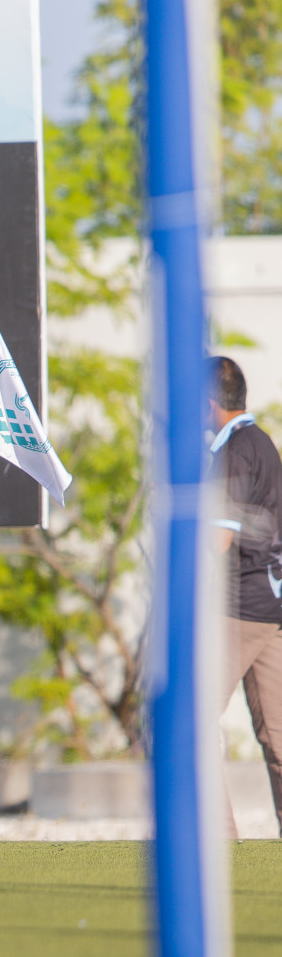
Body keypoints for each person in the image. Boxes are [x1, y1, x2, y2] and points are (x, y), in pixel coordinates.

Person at [207, 356, 282, 836]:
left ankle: (216, 836)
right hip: (271, 608)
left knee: (187, 723)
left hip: (238, 611)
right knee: (277, 735)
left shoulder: (233, 451)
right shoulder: (262, 443)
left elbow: (218, 540)